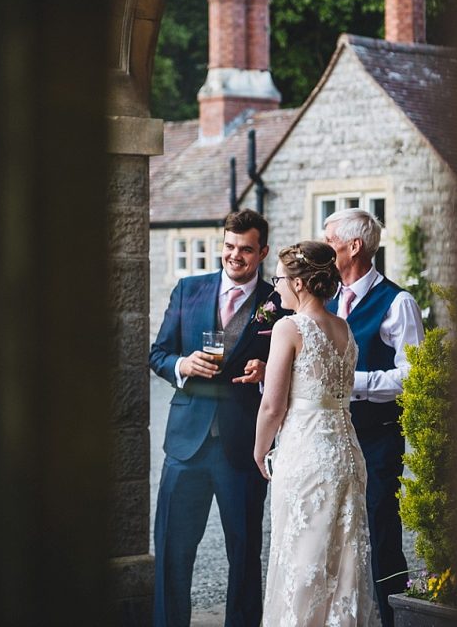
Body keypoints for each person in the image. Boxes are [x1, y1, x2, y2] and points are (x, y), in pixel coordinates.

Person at [149, 208, 282, 627]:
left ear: (261, 252)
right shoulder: (188, 290)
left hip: (241, 446)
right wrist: (182, 366)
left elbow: (292, 367)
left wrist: (266, 373)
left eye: (245, 249)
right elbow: (157, 355)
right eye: (228, 246)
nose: (234, 256)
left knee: (244, 555)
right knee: (173, 551)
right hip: (185, 444)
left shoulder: (276, 303)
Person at [254, 241, 382, 627]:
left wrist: (260, 451)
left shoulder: (288, 327)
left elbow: (273, 405)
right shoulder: (343, 327)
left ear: (299, 283)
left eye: (278, 278)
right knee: (342, 565)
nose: (275, 287)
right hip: (346, 452)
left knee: (302, 558)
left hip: (306, 454)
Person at [323, 208, 425, 627]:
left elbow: (412, 375)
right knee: (333, 537)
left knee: (381, 536)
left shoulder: (397, 302)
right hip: (330, 437)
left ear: (354, 246)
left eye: (329, 241)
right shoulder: (323, 297)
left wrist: (353, 381)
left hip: (378, 439)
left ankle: (391, 620)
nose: (324, 248)